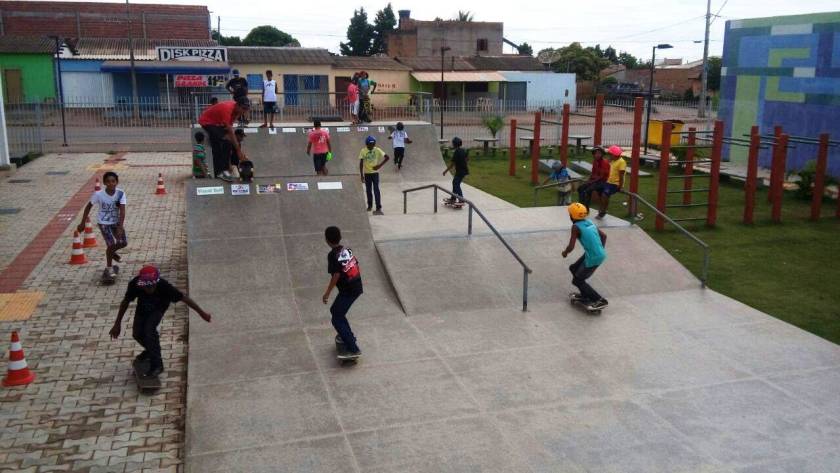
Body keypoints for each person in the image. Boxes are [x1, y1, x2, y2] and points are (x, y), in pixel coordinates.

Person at [110, 265, 211, 377]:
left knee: (149, 330)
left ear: (156, 282)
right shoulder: (135, 284)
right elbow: (125, 302)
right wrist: (117, 324)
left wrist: (202, 313)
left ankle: (157, 365)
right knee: (137, 333)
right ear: (141, 284)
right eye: (146, 287)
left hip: (159, 308)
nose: (149, 289)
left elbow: (185, 299)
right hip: (142, 308)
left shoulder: (164, 286)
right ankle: (150, 352)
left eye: (152, 286)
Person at [321, 226, 363, 359]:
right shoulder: (346, 250)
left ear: (327, 240)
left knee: (336, 317)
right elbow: (354, 264)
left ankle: (353, 349)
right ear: (340, 238)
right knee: (336, 311)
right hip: (355, 285)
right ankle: (347, 335)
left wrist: (327, 293)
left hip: (349, 290)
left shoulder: (332, 255)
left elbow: (336, 275)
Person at [77, 171, 127, 281]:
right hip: (103, 223)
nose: (111, 184)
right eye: (108, 181)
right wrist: (82, 223)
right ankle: (109, 267)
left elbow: (122, 211)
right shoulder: (98, 194)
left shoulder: (121, 193)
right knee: (111, 244)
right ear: (104, 183)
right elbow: (88, 207)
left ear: (117, 182)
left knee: (123, 242)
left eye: (113, 181)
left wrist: (120, 227)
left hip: (116, 222)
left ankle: (112, 253)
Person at [561, 203, 608, 310]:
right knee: (573, 268)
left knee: (577, 281)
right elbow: (604, 236)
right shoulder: (589, 222)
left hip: (594, 256)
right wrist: (600, 250)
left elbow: (571, 246)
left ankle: (599, 300)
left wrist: (565, 253)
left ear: (572, 216)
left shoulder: (576, 227)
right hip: (595, 254)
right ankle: (585, 295)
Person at [198, 97, 250, 182]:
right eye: (243, 109)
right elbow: (230, 132)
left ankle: (222, 171)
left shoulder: (237, 112)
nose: (243, 111)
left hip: (217, 123)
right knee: (225, 141)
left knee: (225, 144)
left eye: (246, 109)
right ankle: (220, 172)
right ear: (237, 105)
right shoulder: (227, 109)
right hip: (207, 122)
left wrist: (238, 150)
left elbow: (229, 127)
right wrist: (238, 151)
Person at [592, 145, 627, 219]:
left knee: (605, 195)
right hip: (607, 181)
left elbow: (621, 175)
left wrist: (620, 187)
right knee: (598, 191)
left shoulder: (621, 162)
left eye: (610, 154)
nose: (609, 156)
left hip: (615, 184)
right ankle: (602, 208)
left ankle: (603, 211)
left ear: (615, 155)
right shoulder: (612, 160)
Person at [358, 135, 389, 215]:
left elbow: (387, 157)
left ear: (374, 144)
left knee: (376, 190)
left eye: (373, 145)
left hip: (375, 173)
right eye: (370, 145)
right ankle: (369, 205)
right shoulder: (363, 151)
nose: (371, 147)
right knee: (368, 190)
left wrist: (379, 165)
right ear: (366, 144)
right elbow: (361, 164)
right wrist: (361, 176)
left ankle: (378, 207)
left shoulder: (377, 149)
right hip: (367, 174)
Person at [577, 146, 611, 211]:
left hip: (603, 182)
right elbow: (593, 173)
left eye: (599, 153)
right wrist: (589, 180)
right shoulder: (595, 162)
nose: (597, 155)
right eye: (595, 153)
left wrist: (590, 182)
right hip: (595, 181)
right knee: (580, 188)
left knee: (588, 191)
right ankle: (581, 206)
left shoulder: (605, 163)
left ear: (602, 154)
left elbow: (601, 176)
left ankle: (585, 209)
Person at [442, 137, 468, 203]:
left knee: (456, 184)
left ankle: (461, 199)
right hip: (464, 170)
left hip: (460, 171)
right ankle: (453, 198)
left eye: (453, 143)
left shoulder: (456, 152)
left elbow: (452, 164)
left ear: (454, 144)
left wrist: (445, 171)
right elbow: (467, 159)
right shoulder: (463, 150)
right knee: (455, 183)